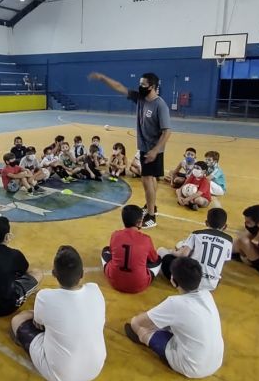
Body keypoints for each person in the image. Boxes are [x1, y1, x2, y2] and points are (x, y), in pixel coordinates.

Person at [10, 246, 106, 381]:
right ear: (82, 273)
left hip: (61, 376)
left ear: (54, 274)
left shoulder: (45, 296)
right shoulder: (95, 289)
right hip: (96, 368)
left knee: (17, 320)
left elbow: (38, 323)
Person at [89, 72, 172, 228]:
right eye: (140, 83)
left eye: (144, 84)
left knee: (147, 179)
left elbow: (167, 131)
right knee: (150, 178)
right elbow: (120, 87)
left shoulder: (160, 105)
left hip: (153, 150)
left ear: (152, 87)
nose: (140, 86)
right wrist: (104, 78)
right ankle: (150, 206)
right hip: (144, 148)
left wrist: (155, 151)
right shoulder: (140, 98)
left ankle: (151, 216)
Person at [125, 257, 224, 379]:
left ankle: (151, 343)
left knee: (139, 328)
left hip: (191, 367)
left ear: (173, 281)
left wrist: (141, 322)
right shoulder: (207, 295)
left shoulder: (175, 303)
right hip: (215, 361)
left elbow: (138, 322)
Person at [0, 217, 43, 316]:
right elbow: (26, 272)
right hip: (4, 307)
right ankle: (26, 292)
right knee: (37, 273)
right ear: (7, 236)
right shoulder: (15, 254)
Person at [156, 208, 232, 291]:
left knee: (162, 250)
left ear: (206, 222)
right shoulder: (229, 240)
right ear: (225, 227)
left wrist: (171, 251)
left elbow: (183, 255)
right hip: (212, 284)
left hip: (190, 281)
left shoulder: (197, 234)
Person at [101, 205, 161, 294]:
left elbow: (113, 253)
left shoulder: (115, 235)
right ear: (139, 222)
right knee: (158, 260)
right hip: (139, 285)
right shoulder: (146, 239)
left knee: (105, 251)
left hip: (114, 281)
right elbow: (154, 259)